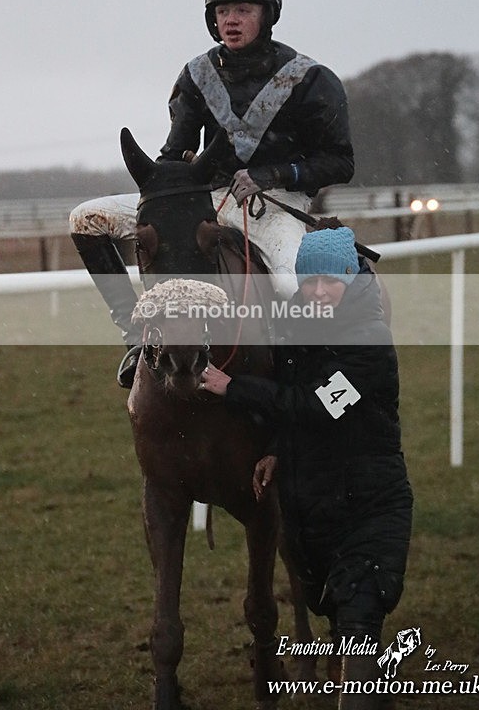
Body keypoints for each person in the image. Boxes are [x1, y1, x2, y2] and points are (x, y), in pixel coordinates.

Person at [69, 0, 354, 386]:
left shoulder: (311, 79)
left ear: (267, 15)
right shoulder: (197, 74)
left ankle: (298, 381)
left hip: (276, 206)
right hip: (203, 199)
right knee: (85, 219)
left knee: (289, 285)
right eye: (222, 11)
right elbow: (176, 150)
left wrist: (272, 175)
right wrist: (166, 178)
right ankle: (135, 337)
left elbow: (340, 162)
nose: (231, 20)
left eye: (243, 10)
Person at [201, 226, 413, 709]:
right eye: (309, 280)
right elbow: (297, 410)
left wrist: (233, 389)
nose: (318, 291)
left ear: (351, 278)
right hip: (318, 503)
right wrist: (277, 448)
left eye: (330, 281)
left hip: (371, 506)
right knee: (342, 619)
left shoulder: (369, 341)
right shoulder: (297, 326)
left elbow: (318, 406)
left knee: (358, 621)